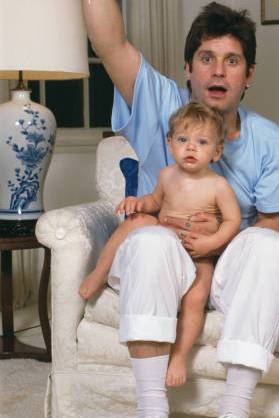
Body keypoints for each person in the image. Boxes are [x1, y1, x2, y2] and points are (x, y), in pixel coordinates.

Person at [59, 0, 279, 418]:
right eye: (207, 58)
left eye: (232, 60)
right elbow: (110, 42)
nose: (219, 70)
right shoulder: (160, 104)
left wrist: (217, 244)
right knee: (145, 243)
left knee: (270, 250)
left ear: (248, 74)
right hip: (165, 256)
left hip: (222, 266)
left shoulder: (265, 138)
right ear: (189, 70)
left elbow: (274, 226)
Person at [79, 102, 241, 387]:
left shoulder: (218, 186)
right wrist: (137, 203)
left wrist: (210, 243)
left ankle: (179, 355)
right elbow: (154, 203)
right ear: (170, 143)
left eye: (201, 142)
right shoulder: (167, 175)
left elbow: (232, 221)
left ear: (216, 151)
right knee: (137, 220)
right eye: (183, 140)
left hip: (196, 252)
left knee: (196, 298)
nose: (191, 148)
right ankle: (99, 272)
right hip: (165, 238)